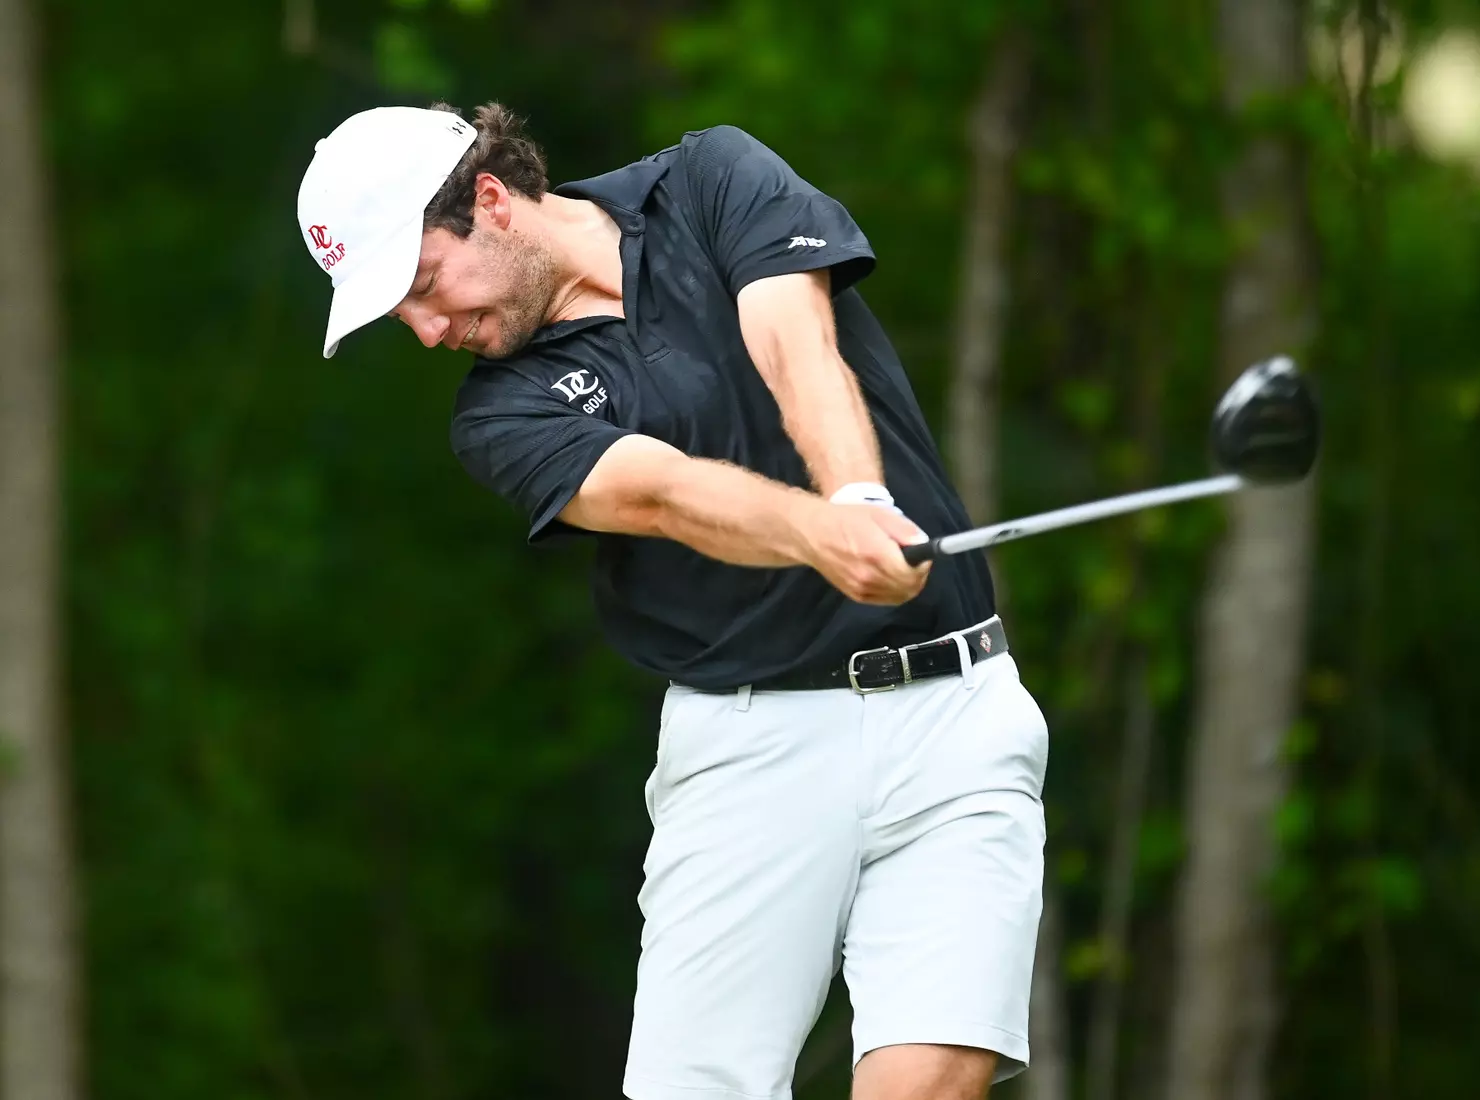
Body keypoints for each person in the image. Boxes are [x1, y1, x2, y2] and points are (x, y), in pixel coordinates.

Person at [295, 102, 1049, 1100]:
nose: (428, 330)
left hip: (955, 704)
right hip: (750, 747)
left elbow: (794, 338)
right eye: (402, 316)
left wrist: (858, 499)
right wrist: (819, 532)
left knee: (936, 1071)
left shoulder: (705, 181)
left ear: (490, 201)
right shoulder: (499, 410)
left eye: (424, 283)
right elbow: (661, 491)